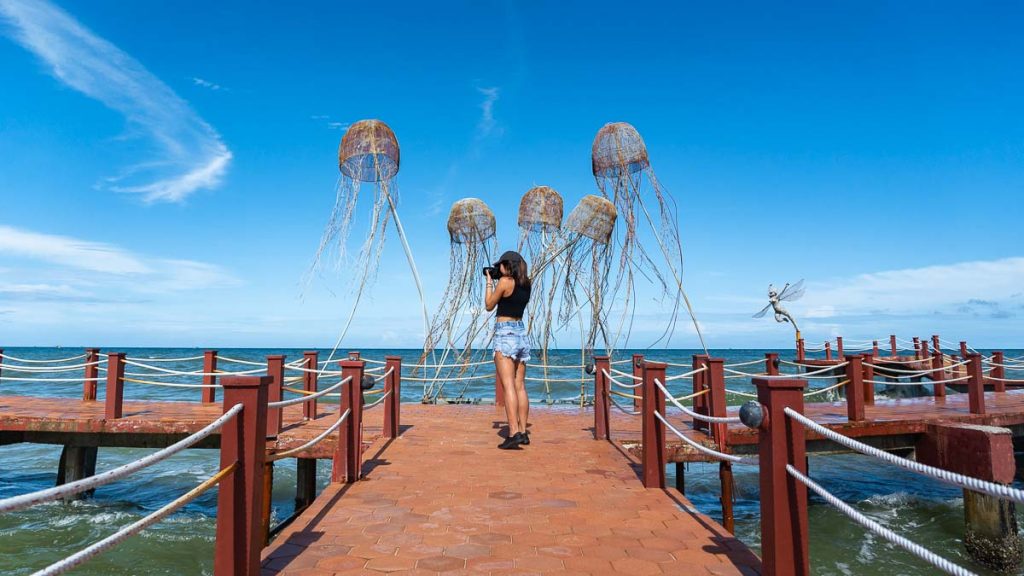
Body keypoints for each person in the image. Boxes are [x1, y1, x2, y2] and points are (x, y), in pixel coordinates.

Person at [484, 250, 532, 449]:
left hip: (505, 334)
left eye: (500, 265)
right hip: (521, 333)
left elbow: (489, 305)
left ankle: (513, 434)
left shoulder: (505, 282)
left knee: (508, 386)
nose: (498, 269)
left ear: (507, 265)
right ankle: (522, 431)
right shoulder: (526, 284)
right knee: (520, 385)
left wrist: (489, 281)